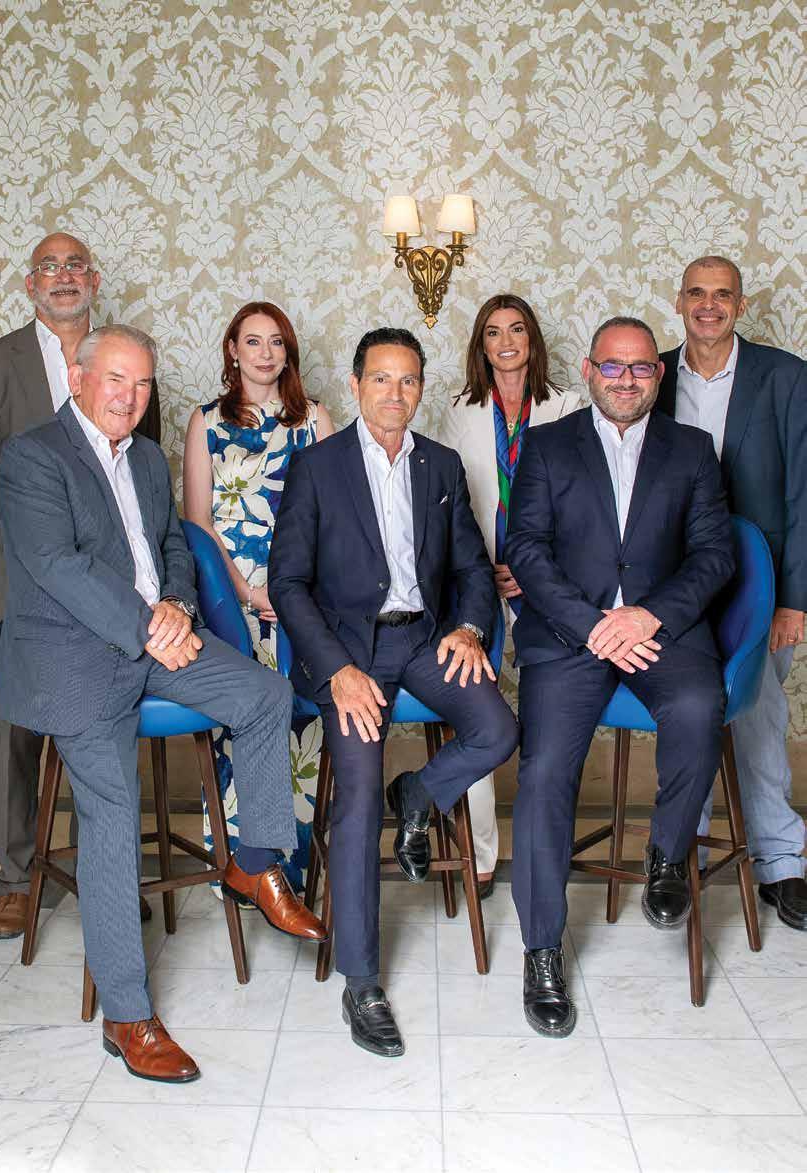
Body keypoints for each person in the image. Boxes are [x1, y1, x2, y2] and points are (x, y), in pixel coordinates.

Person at [0, 325, 326, 1083]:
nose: (130, 396)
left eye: (142, 383)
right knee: (115, 812)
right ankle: (127, 1014)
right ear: (78, 379)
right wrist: (150, 626)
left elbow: (173, 545)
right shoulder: (33, 456)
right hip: (77, 654)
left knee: (266, 694)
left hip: (159, 637)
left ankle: (254, 863)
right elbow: (57, 565)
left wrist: (176, 606)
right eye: (116, 379)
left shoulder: (145, 456)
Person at [269, 327, 519, 1058]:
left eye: (408, 380)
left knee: (499, 729)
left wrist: (469, 627)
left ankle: (417, 795)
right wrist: (335, 669)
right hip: (349, 650)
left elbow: (472, 568)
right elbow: (288, 582)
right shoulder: (316, 467)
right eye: (380, 379)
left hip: (425, 639)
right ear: (355, 386)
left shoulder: (440, 464)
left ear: (420, 388)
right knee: (354, 799)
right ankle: (362, 981)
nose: (395, 393)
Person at [505, 317, 735, 1038]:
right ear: (588, 370)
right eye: (613, 366)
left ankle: (666, 853)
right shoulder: (547, 445)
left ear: (658, 375)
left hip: (659, 631)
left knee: (699, 705)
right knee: (544, 772)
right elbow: (525, 547)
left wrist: (647, 616)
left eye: (639, 367)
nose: (626, 379)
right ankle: (542, 950)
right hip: (571, 634)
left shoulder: (692, 449)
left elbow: (715, 554)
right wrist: (590, 623)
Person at [0, 232, 161, 940]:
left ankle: (103, 874)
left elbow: (142, 476)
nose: (63, 276)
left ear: (95, 279)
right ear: (29, 284)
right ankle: (15, 879)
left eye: (76, 265)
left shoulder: (127, 360)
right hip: (17, 583)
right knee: (19, 732)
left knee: (107, 727)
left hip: (110, 590)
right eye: (48, 267)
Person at [657, 255, 807, 930]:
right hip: (675, 586)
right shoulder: (653, 375)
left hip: (759, 584)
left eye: (722, 294)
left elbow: (803, 492)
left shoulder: (786, 377)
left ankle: (780, 860)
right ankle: (679, 855)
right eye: (697, 293)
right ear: (679, 301)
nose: (708, 305)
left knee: (760, 714)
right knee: (687, 711)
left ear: (741, 306)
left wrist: (794, 598)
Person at [183, 302, 334, 888]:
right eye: (253, 341)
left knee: (302, 721)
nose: (265, 353)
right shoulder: (206, 422)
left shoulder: (314, 419)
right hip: (231, 595)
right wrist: (246, 590)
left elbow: (335, 519)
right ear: (233, 350)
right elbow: (198, 522)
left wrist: (294, 590)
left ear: (288, 351)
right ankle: (244, 869)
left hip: (303, 590)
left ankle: (295, 871)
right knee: (238, 723)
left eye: (276, 342)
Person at [442, 293, 582, 895]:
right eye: (493, 332)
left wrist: (534, 568)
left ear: (532, 340)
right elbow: (450, 502)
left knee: (548, 716)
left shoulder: (567, 406)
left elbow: (581, 505)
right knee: (478, 707)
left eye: (516, 329)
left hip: (546, 580)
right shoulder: (459, 411)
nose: (506, 341)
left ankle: (539, 847)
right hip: (478, 577)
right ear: (481, 345)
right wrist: (485, 565)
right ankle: (480, 853)